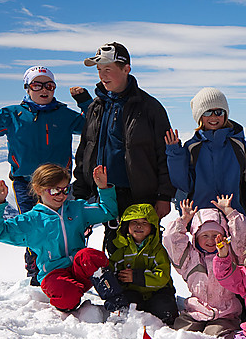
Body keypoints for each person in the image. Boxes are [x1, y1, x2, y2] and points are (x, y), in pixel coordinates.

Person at [0, 65, 91, 283]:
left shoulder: (64, 115)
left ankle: (66, 269)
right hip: (26, 182)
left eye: (49, 85)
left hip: (59, 183)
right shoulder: (13, 114)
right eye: (37, 84)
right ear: (27, 87)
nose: (44, 89)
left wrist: (84, 100)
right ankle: (37, 273)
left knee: (62, 225)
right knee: (34, 227)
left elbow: (92, 125)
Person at [0, 163, 128, 314]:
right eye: (54, 191)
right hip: (54, 276)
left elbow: (108, 212)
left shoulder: (77, 209)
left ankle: (117, 302)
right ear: (38, 190)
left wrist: (103, 188)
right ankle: (70, 297)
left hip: (79, 269)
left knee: (89, 256)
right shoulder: (31, 221)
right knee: (68, 295)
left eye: (65, 189)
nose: (61, 196)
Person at [72, 42, 174, 249]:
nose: (102, 75)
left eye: (108, 69)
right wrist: (80, 193)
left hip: (139, 197)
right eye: (99, 70)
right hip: (105, 194)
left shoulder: (149, 107)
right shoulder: (96, 107)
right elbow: (85, 150)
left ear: (126, 68)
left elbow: (165, 154)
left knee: (142, 256)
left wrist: (164, 196)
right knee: (113, 251)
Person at [162, 194, 246, 337]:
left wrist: (229, 212)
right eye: (205, 235)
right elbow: (170, 238)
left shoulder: (234, 254)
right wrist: (184, 220)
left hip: (225, 312)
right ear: (196, 237)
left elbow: (243, 236)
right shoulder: (188, 257)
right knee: (182, 336)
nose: (211, 240)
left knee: (213, 336)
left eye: (215, 235)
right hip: (196, 310)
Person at [165, 87, 246, 217]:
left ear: (225, 115)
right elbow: (183, 184)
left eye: (219, 112)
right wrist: (175, 153)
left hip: (234, 215)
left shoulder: (238, 144)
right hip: (202, 218)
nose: (214, 116)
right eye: (208, 112)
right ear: (199, 116)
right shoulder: (192, 147)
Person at [108, 203, 178, 326]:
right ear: (126, 225)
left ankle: (164, 328)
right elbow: (112, 270)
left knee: (165, 308)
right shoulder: (121, 249)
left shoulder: (158, 250)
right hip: (133, 293)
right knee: (126, 305)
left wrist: (136, 277)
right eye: (134, 222)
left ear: (152, 226)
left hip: (158, 292)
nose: (139, 226)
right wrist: (120, 279)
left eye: (144, 222)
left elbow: (162, 277)